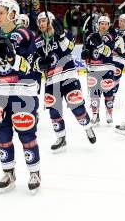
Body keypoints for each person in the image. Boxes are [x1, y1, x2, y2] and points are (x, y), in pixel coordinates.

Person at [0, 0, 41, 194]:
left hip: (24, 91)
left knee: (26, 133)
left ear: (12, 14)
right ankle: (8, 173)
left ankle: (34, 173)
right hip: (2, 93)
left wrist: (13, 59)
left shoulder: (24, 34)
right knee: (2, 135)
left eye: (1, 12)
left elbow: (28, 66)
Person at [33, 11, 96, 152]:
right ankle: (61, 138)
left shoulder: (64, 32)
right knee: (54, 112)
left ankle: (87, 127)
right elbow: (33, 60)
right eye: (39, 21)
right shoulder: (37, 40)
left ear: (51, 21)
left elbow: (69, 49)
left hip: (68, 75)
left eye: (44, 20)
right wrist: (39, 63)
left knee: (77, 107)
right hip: (51, 80)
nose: (41, 23)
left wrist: (61, 36)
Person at [82, 15, 115, 126]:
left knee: (108, 93)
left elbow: (108, 52)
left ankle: (109, 113)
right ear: (98, 25)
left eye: (106, 24)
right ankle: (95, 115)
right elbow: (86, 50)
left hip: (107, 68)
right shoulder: (90, 36)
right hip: (93, 68)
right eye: (102, 23)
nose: (104, 26)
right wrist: (85, 54)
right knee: (94, 95)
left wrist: (100, 45)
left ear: (108, 25)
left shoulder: (110, 37)